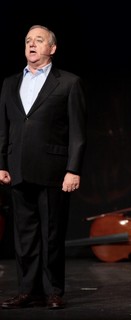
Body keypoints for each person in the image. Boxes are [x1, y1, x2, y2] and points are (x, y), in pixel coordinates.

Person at [0, 25, 87, 309]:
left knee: (51, 233)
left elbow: (77, 132)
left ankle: (53, 291)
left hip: (53, 169)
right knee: (24, 236)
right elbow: (4, 128)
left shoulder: (68, 83)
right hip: (18, 168)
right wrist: (1, 163)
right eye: (27, 40)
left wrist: (73, 169)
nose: (32, 45)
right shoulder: (10, 83)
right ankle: (28, 290)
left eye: (39, 40)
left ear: (52, 48)